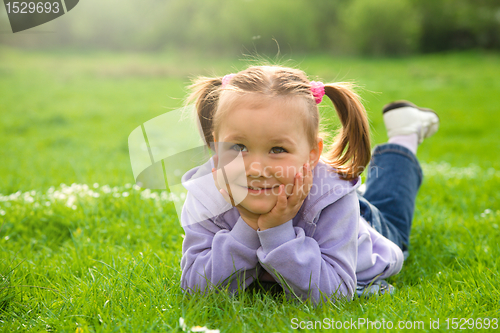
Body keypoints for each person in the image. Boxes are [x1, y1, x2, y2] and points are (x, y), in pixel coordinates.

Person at [179, 65, 439, 305]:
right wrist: (247, 225)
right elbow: (195, 287)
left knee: (391, 214)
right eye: (238, 147)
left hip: (341, 213)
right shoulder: (207, 195)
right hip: (305, 190)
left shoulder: (333, 199)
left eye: (277, 149)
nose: (255, 168)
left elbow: (335, 292)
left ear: (313, 153)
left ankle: (405, 134)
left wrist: (276, 231)